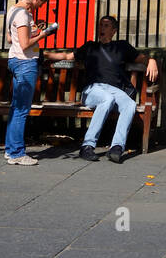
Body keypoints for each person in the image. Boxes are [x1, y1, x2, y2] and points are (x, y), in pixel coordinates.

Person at [61, 16, 158, 163]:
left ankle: (117, 147)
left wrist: (152, 61)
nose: (101, 28)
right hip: (93, 89)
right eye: (100, 25)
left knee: (129, 104)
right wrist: (44, 55)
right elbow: (67, 56)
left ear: (113, 31)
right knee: (107, 99)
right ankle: (87, 146)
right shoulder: (90, 47)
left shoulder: (122, 47)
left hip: (115, 90)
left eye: (106, 26)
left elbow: (142, 58)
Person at [4, 0, 54, 166]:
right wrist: (45, 33)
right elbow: (25, 44)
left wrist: (34, 30)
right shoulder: (24, 14)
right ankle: (17, 153)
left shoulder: (13, 10)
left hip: (14, 60)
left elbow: (10, 38)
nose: (41, 6)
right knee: (22, 109)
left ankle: (11, 150)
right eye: (42, 2)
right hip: (25, 63)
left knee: (15, 108)